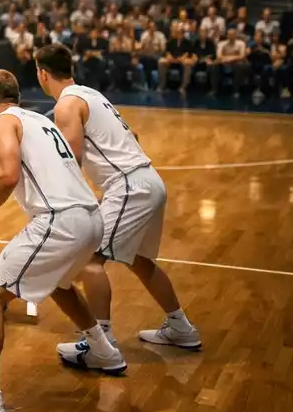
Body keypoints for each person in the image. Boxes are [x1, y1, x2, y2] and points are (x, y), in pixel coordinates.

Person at [0, 69, 121, 412]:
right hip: (91, 218)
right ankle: (104, 350)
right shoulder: (40, 120)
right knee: (60, 285)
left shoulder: (2, 122)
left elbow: (7, 175)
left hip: (60, 220)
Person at [35, 44, 200, 363]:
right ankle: (181, 327)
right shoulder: (92, 95)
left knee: (89, 260)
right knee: (139, 261)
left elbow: (71, 159)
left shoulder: (66, 104)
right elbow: (132, 135)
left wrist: (64, 205)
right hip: (148, 180)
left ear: (42, 74)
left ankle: (102, 344)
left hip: (129, 187)